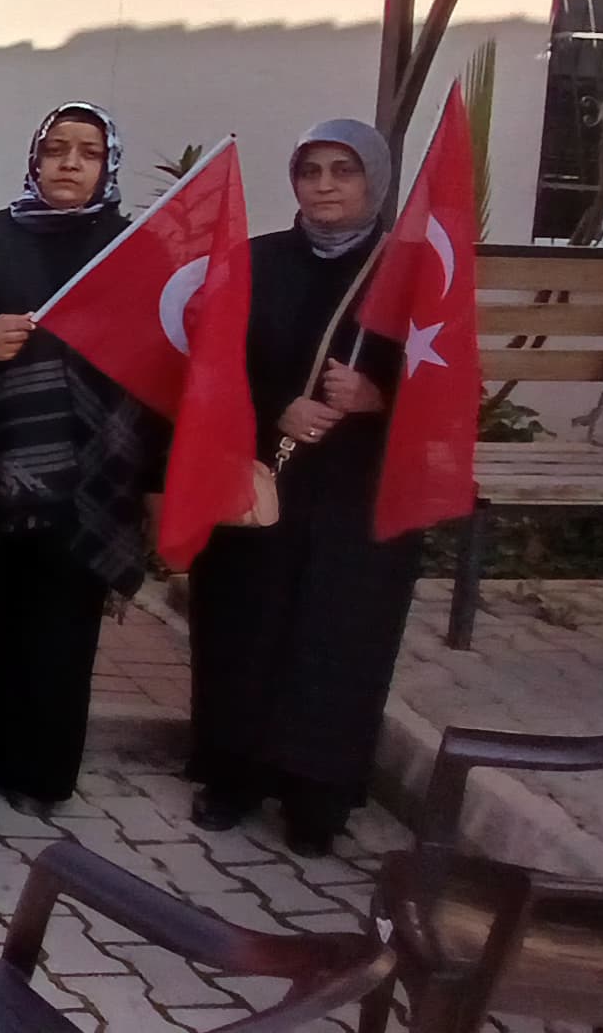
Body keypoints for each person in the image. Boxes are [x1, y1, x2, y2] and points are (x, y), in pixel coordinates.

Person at [0, 102, 162, 817]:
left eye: (87, 152)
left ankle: (41, 771)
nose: (70, 164)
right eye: (56, 150)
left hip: (91, 478)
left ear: (108, 163)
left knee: (61, 633)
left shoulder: (134, 250)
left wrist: (155, 483)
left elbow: (165, 365)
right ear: (34, 158)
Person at [189, 120, 413, 856]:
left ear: (372, 181)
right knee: (246, 625)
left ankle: (318, 795)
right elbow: (213, 367)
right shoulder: (257, 263)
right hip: (266, 474)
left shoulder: (409, 274)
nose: (323, 185)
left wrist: (376, 398)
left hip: (359, 492)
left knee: (337, 638)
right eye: (310, 170)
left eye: (342, 171)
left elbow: (446, 386)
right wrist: (277, 402)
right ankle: (232, 778)